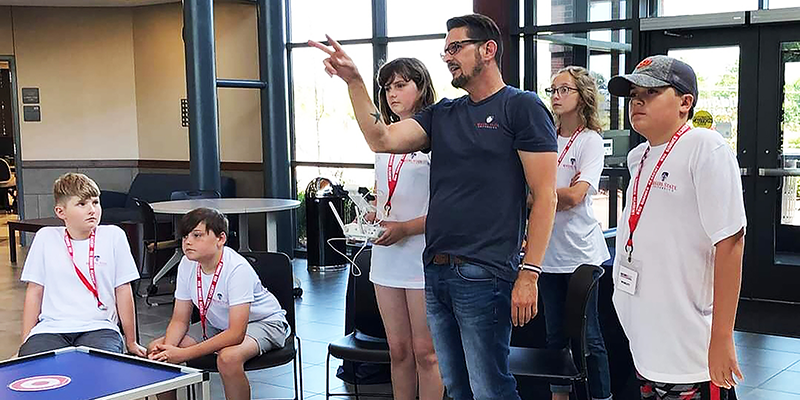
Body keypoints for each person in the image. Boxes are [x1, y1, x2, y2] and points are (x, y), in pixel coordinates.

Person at [309, 13, 558, 400]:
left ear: (488, 50)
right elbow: (382, 138)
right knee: (456, 386)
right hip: (436, 270)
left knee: (490, 387)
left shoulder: (521, 107)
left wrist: (530, 274)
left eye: (456, 47)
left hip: (486, 272)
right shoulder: (443, 113)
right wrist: (355, 82)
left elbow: (546, 196)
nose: (447, 57)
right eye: (445, 50)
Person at [608, 55, 746, 400]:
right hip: (646, 339)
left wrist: (722, 337)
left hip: (688, 346)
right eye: (634, 93)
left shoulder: (705, 147)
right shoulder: (639, 157)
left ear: (686, 102)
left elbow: (730, 242)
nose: (637, 100)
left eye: (651, 92)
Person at [147, 208, 289, 400]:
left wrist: (182, 354)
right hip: (217, 324)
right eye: (185, 236)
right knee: (156, 351)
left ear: (220, 239)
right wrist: (168, 351)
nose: (188, 242)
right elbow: (180, 320)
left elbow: (235, 333)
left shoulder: (237, 269)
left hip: (265, 323)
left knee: (228, 358)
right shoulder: (186, 264)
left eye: (197, 235)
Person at [369, 57, 443, 400]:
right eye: (387, 87)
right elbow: (386, 196)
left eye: (401, 85)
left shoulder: (437, 138)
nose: (392, 94)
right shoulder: (384, 142)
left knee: (426, 353)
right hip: (386, 255)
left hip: (422, 253)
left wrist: (406, 228)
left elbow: (449, 209)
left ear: (421, 87)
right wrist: (372, 213)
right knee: (397, 351)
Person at [540, 66, 612, 400]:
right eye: (552, 90)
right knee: (554, 337)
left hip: (581, 254)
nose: (555, 96)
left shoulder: (590, 141)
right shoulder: (543, 139)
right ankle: (559, 396)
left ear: (582, 96)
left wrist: (538, 199)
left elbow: (576, 196)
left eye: (563, 90)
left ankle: (601, 397)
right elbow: (555, 194)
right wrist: (546, 197)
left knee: (589, 337)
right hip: (546, 254)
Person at [18, 172, 145, 357]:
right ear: (61, 212)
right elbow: (34, 291)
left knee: (99, 370)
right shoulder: (45, 237)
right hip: (51, 328)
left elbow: (123, 289)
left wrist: (131, 342)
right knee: (37, 370)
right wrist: (25, 343)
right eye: (82, 204)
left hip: (100, 327)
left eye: (95, 202)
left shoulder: (114, 236)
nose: (92, 209)